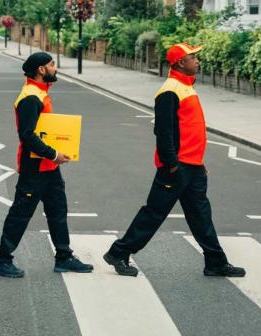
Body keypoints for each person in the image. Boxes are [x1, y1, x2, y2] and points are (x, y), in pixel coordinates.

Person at [103, 43, 246, 278]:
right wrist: (171, 164)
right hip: (177, 167)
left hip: (193, 166)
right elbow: (164, 131)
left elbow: (189, 129)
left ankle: (215, 262)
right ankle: (119, 252)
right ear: (181, 62)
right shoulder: (170, 90)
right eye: (193, 57)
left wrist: (198, 161)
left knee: (201, 214)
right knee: (154, 213)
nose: (197, 61)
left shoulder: (186, 87)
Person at [0, 52, 93, 278]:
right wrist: (53, 153)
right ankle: (2, 260)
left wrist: (54, 155)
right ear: (40, 69)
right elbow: (27, 136)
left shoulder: (40, 93)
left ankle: (64, 257)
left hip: (49, 167)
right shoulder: (30, 97)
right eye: (52, 64)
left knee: (58, 210)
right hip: (35, 167)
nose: (55, 68)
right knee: (21, 213)